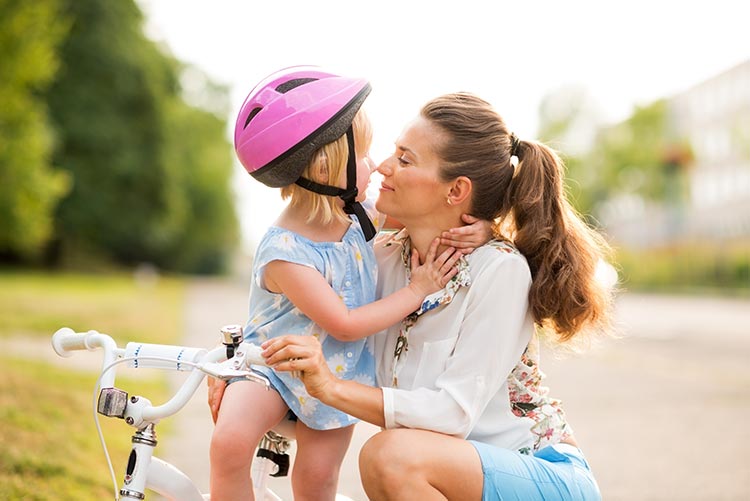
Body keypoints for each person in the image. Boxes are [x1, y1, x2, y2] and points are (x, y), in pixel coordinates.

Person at [233, 92, 614, 500]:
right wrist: (246, 373)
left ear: (456, 191)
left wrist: (332, 388)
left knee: (389, 456)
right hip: (439, 472)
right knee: (389, 457)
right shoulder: (379, 259)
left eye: (405, 159)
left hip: (540, 475)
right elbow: (302, 322)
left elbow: (451, 414)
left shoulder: (499, 270)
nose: (382, 166)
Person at [210, 67, 483, 501]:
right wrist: (416, 290)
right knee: (229, 444)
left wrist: (481, 229)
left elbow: (430, 215)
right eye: (364, 155)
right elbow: (344, 324)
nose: (375, 166)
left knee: (317, 479)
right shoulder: (286, 253)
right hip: (274, 366)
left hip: (337, 372)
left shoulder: (359, 214)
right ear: (325, 166)